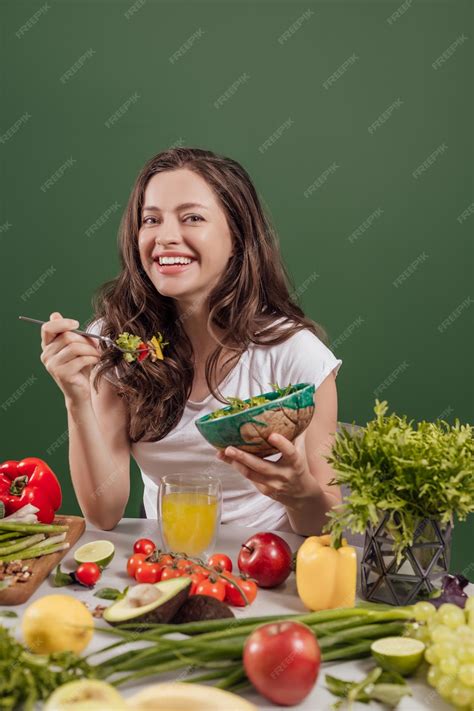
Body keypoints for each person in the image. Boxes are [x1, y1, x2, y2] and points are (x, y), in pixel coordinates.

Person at [40, 147, 342, 534]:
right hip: (165, 561)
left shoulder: (296, 355)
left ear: (238, 235)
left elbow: (329, 524)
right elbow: (104, 513)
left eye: (192, 218)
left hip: (271, 566)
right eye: (151, 220)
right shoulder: (114, 342)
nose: (165, 238)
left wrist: (299, 494)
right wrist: (76, 396)